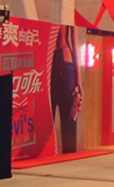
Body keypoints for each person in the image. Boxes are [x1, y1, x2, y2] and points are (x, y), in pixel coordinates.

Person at [51, 25, 83, 154]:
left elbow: (74, 39)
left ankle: (52, 153)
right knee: (68, 116)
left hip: (51, 59)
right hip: (66, 59)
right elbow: (74, 40)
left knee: (50, 111)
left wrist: (79, 81)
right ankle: (69, 153)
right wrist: (79, 80)